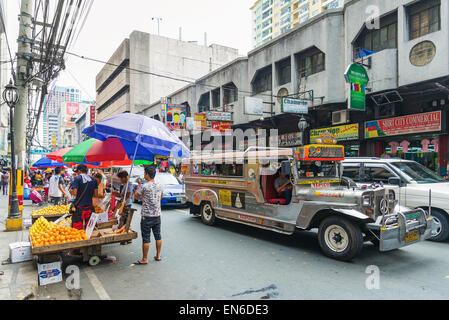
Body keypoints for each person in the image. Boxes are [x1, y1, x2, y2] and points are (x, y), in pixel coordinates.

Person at [134, 166, 163, 265]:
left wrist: (138, 185)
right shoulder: (160, 185)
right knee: (158, 236)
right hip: (157, 215)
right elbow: (161, 197)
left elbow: (136, 196)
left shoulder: (144, 186)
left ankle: (145, 259)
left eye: (144, 173)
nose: (144, 175)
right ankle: (158, 255)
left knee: (146, 238)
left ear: (147, 174)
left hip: (146, 216)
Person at [70, 164, 99, 230]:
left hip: (79, 208)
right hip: (89, 207)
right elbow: (96, 194)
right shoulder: (93, 180)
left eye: (77, 172)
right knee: (89, 228)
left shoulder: (78, 179)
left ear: (79, 171)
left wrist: (70, 191)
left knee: (77, 228)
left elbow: (74, 193)